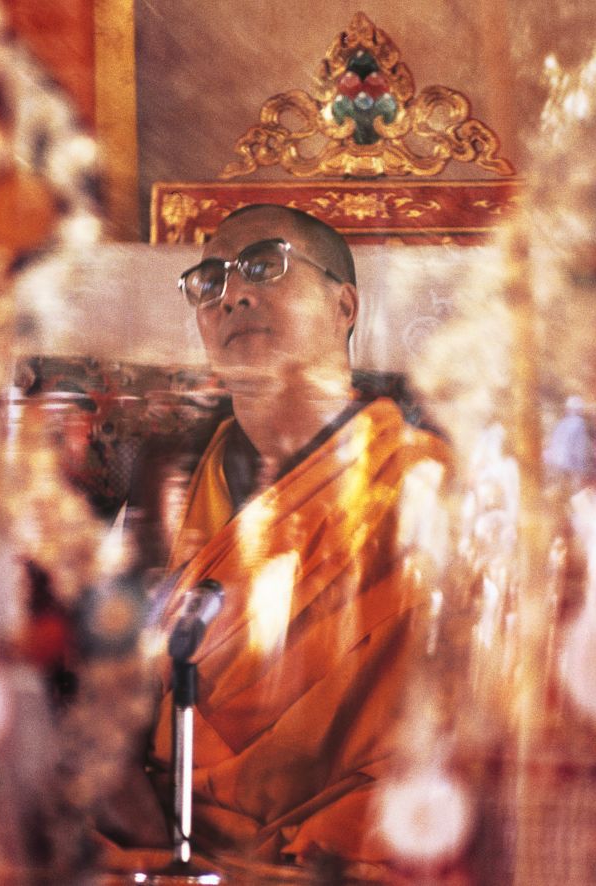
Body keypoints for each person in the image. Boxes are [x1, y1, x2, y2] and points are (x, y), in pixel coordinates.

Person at [131, 204, 450, 876]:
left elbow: (451, 728)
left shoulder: (425, 487)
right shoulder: (172, 490)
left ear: (345, 305)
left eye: (263, 266)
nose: (232, 294)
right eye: (209, 279)